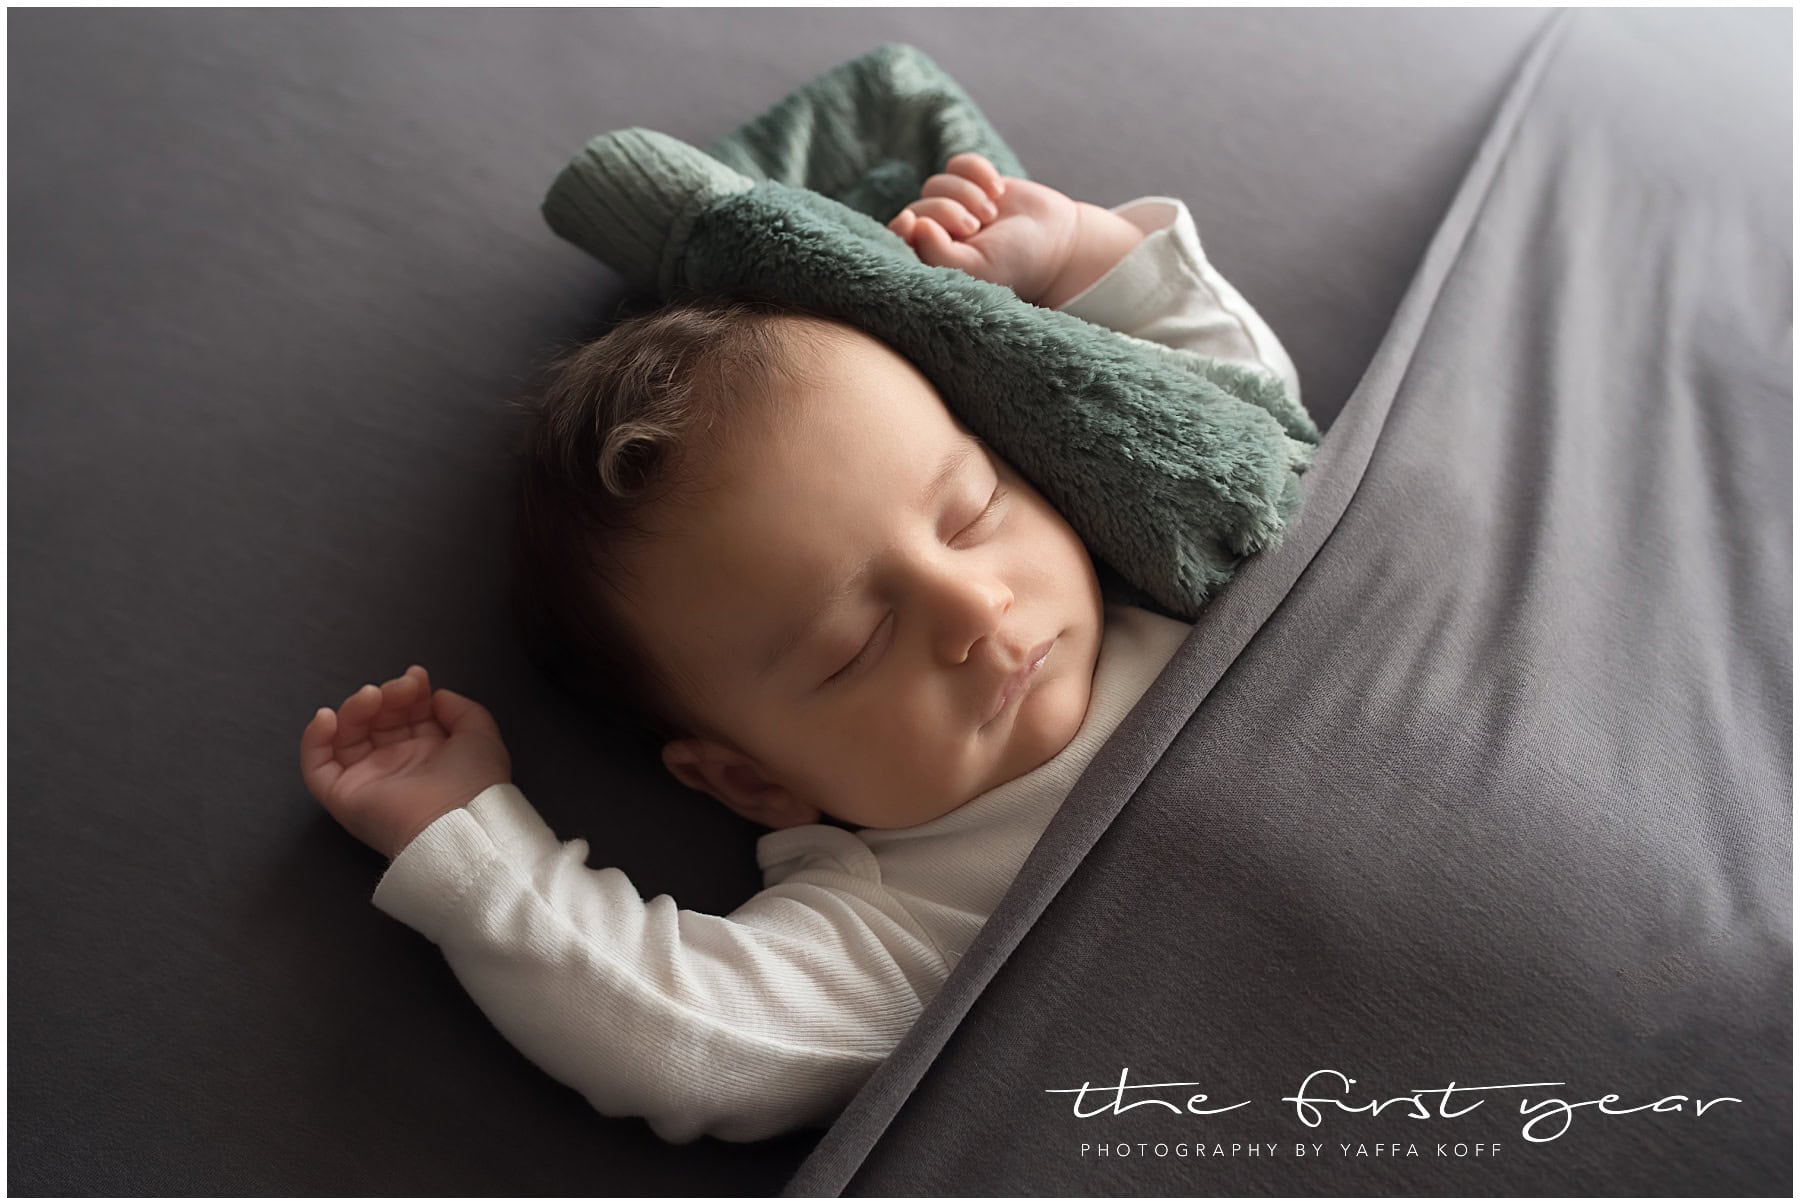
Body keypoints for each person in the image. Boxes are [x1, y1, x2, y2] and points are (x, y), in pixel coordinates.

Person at [297, 153, 1301, 1142]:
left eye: (972, 511)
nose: (971, 605)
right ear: (749, 780)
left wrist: (1078, 253)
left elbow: (1245, 423)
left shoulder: (1159, 568)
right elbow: (679, 1038)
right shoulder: (902, 919)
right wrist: (472, 848)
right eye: (856, 645)